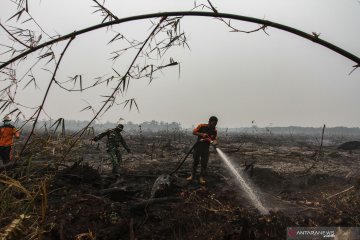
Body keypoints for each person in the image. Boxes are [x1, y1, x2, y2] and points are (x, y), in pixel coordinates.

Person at [187, 116, 218, 184]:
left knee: (204, 163)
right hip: (197, 147)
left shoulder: (214, 130)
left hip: (205, 149)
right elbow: (194, 132)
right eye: (214, 123)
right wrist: (202, 134)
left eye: (216, 124)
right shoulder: (202, 126)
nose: (215, 125)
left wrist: (215, 143)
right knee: (195, 162)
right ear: (210, 122)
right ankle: (192, 175)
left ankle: (201, 177)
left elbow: (214, 139)